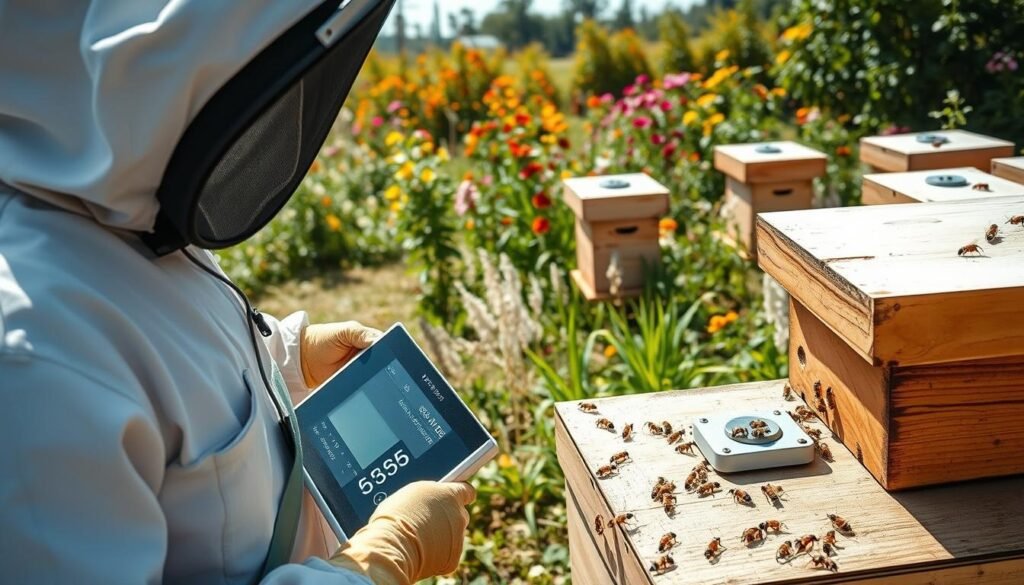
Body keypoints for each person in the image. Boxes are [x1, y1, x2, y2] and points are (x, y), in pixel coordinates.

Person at [0, 1, 475, 584]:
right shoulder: (32, 353)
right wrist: (375, 566)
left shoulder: (130, 216)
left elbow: (183, 358)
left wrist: (288, 357)